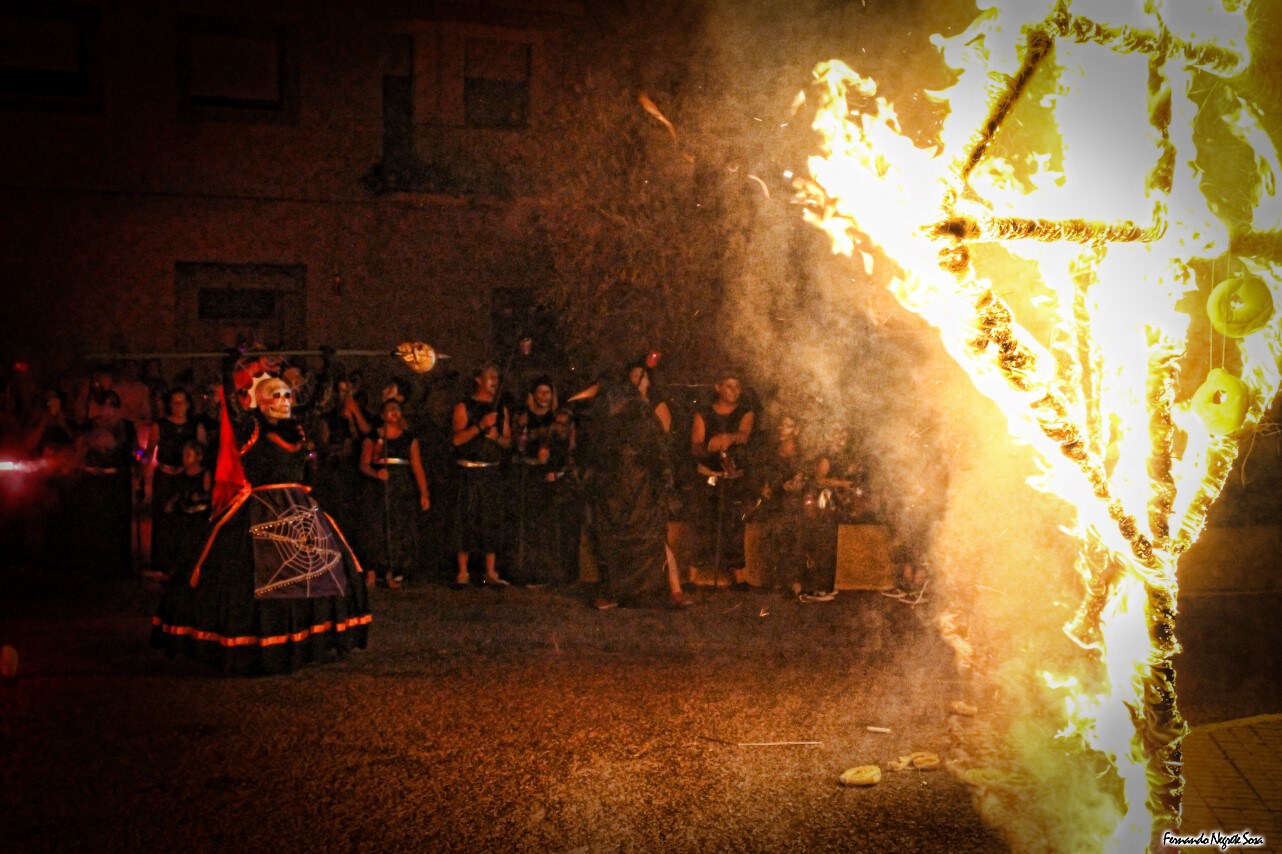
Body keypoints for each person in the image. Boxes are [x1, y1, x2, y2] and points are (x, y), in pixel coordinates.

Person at [151, 353, 371, 674]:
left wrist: (328, 366)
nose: (282, 401)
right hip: (260, 509)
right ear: (259, 401)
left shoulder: (296, 428)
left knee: (317, 576)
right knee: (253, 579)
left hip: (301, 511)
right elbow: (229, 399)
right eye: (275, 395)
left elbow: (319, 404)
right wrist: (230, 368)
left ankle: (305, 640)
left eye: (286, 395)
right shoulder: (249, 428)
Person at [584, 379, 675, 610]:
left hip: (636, 491)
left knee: (630, 541)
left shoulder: (635, 421)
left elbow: (658, 458)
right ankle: (627, 593)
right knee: (618, 541)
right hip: (621, 491)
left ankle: (632, 593)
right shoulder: (623, 422)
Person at [628, 361, 693, 607]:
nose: (635, 380)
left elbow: (662, 446)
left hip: (650, 480)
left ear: (647, 381)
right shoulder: (625, 407)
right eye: (632, 376)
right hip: (630, 479)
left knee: (657, 534)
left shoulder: (657, 407)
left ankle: (675, 588)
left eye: (639, 376)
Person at [689, 370, 755, 590]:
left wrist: (729, 437)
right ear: (718, 388)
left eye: (737, 387)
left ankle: (739, 577)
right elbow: (696, 444)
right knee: (701, 524)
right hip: (708, 475)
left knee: (734, 526)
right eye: (729, 386)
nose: (734, 391)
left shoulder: (745, 412)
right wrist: (709, 447)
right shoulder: (703, 414)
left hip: (733, 477)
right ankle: (692, 578)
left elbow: (744, 434)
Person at [510, 377, 577, 586]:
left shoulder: (557, 419)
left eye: (548, 393)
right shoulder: (523, 418)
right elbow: (517, 445)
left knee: (547, 527)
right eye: (540, 392)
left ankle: (547, 572)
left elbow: (566, 448)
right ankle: (526, 571)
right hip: (528, 475)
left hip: (550, 478)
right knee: (527, 525)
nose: (544, 397)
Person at [450, 364, 511, 589]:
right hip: (468, 471)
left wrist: (496, 437)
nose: (495, 380)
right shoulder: (464, 406)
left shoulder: (501, 408)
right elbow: (456, 440)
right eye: (490, 376)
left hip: (490, 471)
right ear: (479, 379)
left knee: (491, 520)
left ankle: (490, 571)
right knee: (465, 520)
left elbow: (508, 441)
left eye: (497, 376)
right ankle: (463, 572)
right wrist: (480, 426)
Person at [359, 397, 429, 589]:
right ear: (383, 414)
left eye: (397, 408)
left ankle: (391, 573)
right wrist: (376, 473)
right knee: (376, 528)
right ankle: (372, 574)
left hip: (400, 487)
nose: (394, 412)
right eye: (390, 409)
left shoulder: (408, 438)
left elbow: (417, 466)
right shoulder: (374, 437)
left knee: (397, 529)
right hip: (378, 487)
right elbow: (364, 464)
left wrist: (424, 493)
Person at [146, 389, 207, 576]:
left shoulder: (195, 425)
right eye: (174, 402)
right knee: (163, 517)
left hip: (186, 477)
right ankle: (161, 563)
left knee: (183, 518)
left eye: (182, 402)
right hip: (164, 475)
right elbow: (149, 452)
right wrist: (141, 474)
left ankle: (183, 562)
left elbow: (201, 452)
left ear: (188, 405)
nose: (178, 406)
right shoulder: (160, 425)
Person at [159, 439, 212, 581]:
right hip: (184, 515)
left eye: (188, 455)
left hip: (198, 517)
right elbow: (178, 493)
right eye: (184, 455)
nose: (184, 458)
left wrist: (198, 497)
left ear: (198, 457)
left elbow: (208, 496)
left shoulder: (204, 474)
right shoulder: (182, 475)